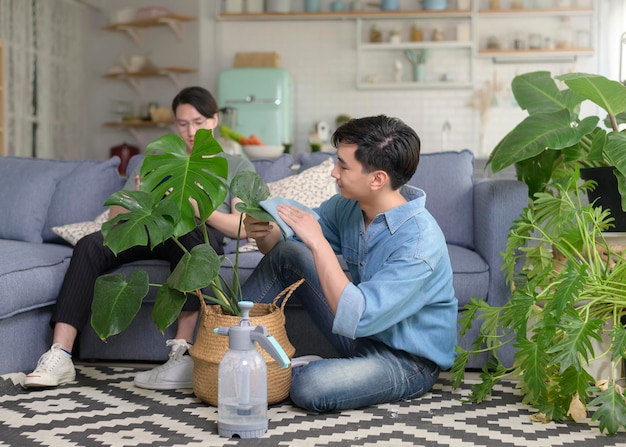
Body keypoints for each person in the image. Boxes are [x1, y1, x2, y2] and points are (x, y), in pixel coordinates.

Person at [24, 86, 255, 390]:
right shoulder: (162, 158)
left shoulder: (235, 164)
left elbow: (241, 227)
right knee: (90, 245)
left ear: (213, 120)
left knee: (192, 244)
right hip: (152, 229)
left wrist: (197, 207)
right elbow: (115, 221)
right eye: (183, 123)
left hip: (198, 234)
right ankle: (60, 355)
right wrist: (135, 196)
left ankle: (181, 352)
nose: (190, 131)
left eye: (198, 122)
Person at [241, 115, 458, 412]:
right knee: (289, 254)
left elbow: (361, 316)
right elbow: (287, 242)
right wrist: (266, 230)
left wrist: (317, 241)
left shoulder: (420, 243)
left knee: (311, 387)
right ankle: (229, 348)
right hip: (359, 336)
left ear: (377, 179)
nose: (333, 172)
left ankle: (295, 371)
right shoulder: (350, 206)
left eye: (343, 165)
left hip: (405, 360)